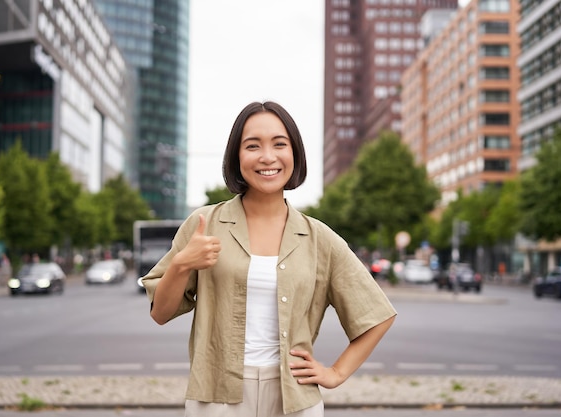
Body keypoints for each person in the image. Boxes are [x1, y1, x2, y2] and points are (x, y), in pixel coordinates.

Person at [140, 101, 397, 416]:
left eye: (279, 144)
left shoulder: (320, 239)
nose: (267, 157)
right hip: (218, 396)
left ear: (294, 154)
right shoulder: (205, 224)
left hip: (293, 398)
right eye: (252, 146)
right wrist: (181, 264)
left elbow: (377, 314)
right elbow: (160, 313)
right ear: (237, 156)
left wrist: (336, 373)